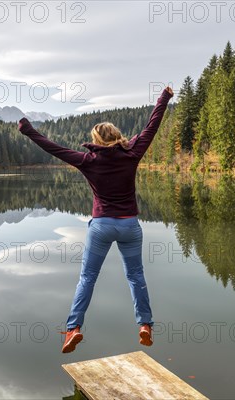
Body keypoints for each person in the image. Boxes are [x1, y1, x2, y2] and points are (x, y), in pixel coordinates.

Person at [18, 87, 174, 353]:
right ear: (116, 136)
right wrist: (164, 99)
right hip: (129, 226)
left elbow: (53, 148)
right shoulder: (132, 153)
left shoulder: (87, 160)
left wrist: (28, 130)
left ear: (96, 140)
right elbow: (152, 125)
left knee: (88, 278)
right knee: (136, 276)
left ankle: (73, 329)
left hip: (101, 226)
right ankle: (145, 324)